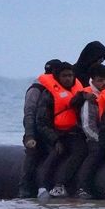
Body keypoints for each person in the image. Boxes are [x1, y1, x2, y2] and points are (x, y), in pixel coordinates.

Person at [35, 62, 87, 198]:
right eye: (64, 76)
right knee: (55, 154)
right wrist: (55, 140)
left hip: (74, 133)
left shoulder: (80, 93)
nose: (68, 79)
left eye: (70, 75)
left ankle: (63, 184)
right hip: (55, 134)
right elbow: (42, 122)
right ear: (57, 77)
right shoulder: (49, 95)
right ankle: (42, 187)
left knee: (80, 152)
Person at [18, 58, 60, 198]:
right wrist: (30, 135)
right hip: (35, 132)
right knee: (32, 154)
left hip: (50, 131)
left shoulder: (56, 90)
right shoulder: (36, 90)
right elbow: (29, 113)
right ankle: (24, 187)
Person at [74, 64, 105, 199]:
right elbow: (87, 126)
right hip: (95, 137)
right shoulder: (90, 99)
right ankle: (82, 187)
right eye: (99, 80)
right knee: (96, 152)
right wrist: (101, 141)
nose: (104, 83)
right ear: (93, 81)